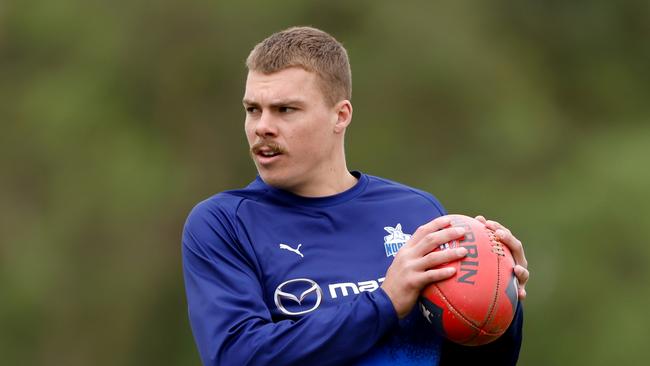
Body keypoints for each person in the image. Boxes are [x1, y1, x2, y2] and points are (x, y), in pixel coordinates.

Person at [182, 26, 529, 365]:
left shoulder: (417, 213)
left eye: (285, 110)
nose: (262, 127)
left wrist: (499, 303)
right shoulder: (224, 224)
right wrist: (384, 303)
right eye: (253, 109)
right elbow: (238, 355)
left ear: (340, 115)